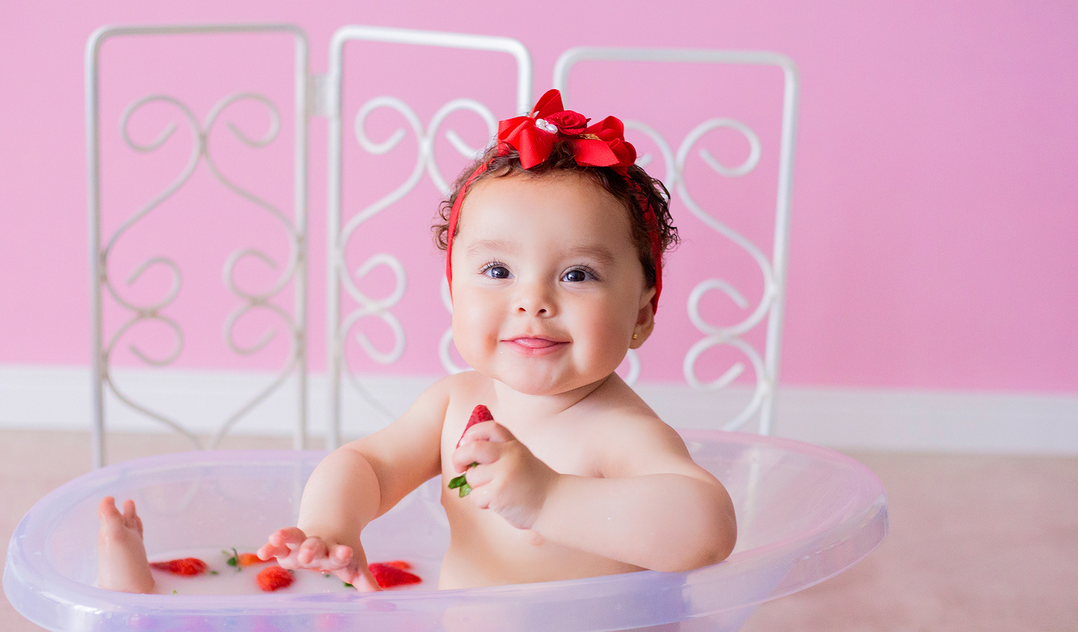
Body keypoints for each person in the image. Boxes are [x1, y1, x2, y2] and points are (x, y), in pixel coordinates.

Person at [96, 89, 736, 595]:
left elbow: (705, 529)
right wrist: (331, 525)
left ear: (643, 316)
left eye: (577, 274)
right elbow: (368, 466)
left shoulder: (617, 432)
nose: (531, 300)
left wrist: (551, 497)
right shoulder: (457, 403)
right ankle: (143, 601)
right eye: (496, 271)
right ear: (453, 294)